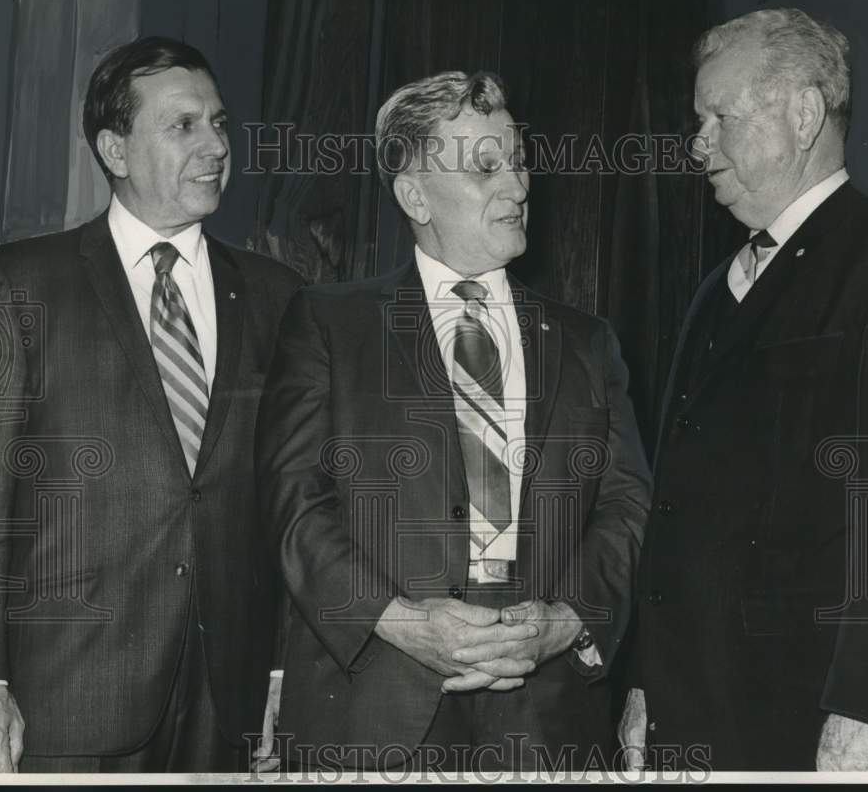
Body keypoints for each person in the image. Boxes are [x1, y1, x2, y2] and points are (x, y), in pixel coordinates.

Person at [255, 70, 652, 772]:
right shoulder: (328, 322)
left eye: (519, 160)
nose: (520, 186)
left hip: (547, 722)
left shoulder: (588, 341)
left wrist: (562, 623)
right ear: (414, 194)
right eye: (486, 167)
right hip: (372, 711)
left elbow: (626, 505)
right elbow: (295, 506)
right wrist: (406, 624)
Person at [623, 8, 868, 771]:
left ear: (803, 115)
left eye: (720, 117)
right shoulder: (717, 287)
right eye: (696, 119)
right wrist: (645, 687)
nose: (697, 142)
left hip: (809, 716)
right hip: (694, 708)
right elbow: (674, 507)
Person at [0, 36, 302, 773]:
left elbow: (292, 504)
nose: (215, 145)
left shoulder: (279, 296)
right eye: (183, 125)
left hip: (230, 697)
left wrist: (283, 672)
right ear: (115, 151)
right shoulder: (18, 283)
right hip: (69, 692)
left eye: (219, 123)